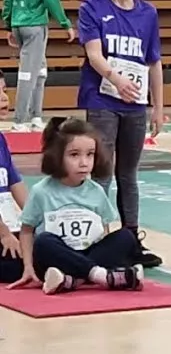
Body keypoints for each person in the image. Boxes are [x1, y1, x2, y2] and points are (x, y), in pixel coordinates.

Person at [76, 0, 165, 269]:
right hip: (102, 99)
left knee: (129, 174)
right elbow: (94, 54)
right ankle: (94, 237)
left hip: (135, 105)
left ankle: (130, 240)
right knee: (101, 171)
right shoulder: (92, 7)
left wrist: (158, 106)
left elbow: (153, 61)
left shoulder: (148, 14)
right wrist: (116, 79)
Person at [8, 117, 144, 295]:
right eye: (74, 155)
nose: (84, 162)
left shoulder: (96, 191)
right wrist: (28, 267)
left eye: (90, 154)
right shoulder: (42, 191)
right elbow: (26, 231)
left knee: (126, 237)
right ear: (57, 156)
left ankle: (72, 280)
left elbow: (104, 230)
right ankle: (102, 275)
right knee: (43, 241)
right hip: (55, 259)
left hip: (87, 254)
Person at [5, 0, 75, 133]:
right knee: (28, 73)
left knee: (40, 71)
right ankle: (19, 120)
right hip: (35, 26)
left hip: (19, 24)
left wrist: (8, 24)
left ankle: (36, 116)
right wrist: (65, 23)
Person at [0, 131, 32, 285]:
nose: (5, 104)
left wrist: (36, 220)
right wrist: (4, 234)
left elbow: (15, 183)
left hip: (10, 223)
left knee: (44, 246)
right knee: (14, 266)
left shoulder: (0, 139)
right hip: (2, 229)